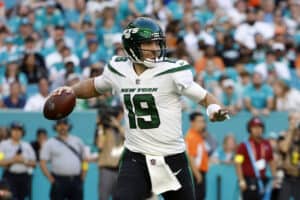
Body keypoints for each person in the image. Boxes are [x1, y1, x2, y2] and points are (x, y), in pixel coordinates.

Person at [52, 17, 229, 200]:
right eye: (148, 43)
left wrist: (214, 109)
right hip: (136, 156)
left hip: (171, 157)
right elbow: (95, 86)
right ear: (131, 45)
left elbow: (205, 97)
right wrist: (71, 90)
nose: (154, 48)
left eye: (157, 43)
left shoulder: (172, 71)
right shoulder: (119, 69)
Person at [40, 118, 87, 200]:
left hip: (76, 180)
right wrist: (51, 179)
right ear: (56, 127)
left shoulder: (78, 141)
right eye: (59, 125)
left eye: (64, 124)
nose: (62, 127)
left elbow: (85, 160)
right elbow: (42, 163)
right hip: (58, 181)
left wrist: (83, 176)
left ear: (69, 126)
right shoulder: (50, 143)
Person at [235, 117, 278, 200]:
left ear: (263, 129)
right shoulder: (243, 145)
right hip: (248, 180)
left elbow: (271, 161)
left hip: (262, 180)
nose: (257, 130)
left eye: (259, 127)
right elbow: (237, 162)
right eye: (254, 127)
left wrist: (274, 178)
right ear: (250, 129)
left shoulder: (266, 144)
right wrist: (241, 180)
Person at [0, 122, 36, 200]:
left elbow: (34, 163)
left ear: (22, 132)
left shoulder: (27, 146)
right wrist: (13, 160)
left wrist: (24, 161)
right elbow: (0, 161)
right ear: (10, 131)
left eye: (19, 130)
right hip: (9, 177)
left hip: (24, 177)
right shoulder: (3, 145)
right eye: (14, 130)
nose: (16, 132)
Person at [97, 106, 125, 200]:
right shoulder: (104, 130)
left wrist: (117, 125)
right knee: (103, 197)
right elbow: (100, 145)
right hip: (106, 170)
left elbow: (128, 138)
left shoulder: (122, 129)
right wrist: (100, 126)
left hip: (120, 170)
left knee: (119, 197)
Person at [185, 112, 209, 200]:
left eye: (203, 121)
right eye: (200, 121)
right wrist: (197, 174)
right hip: (196, 172)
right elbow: (191, 156)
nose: (203, 124)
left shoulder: (197, 136)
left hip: (200, 171)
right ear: (192, 123)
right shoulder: (192, 137)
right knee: (197, 196)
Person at [278, 112, 300, 200]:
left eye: (297, 119)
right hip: (287, 177)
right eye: (292, 119)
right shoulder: (284, 135)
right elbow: (284, 148)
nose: (295, 122)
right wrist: (291, 131)